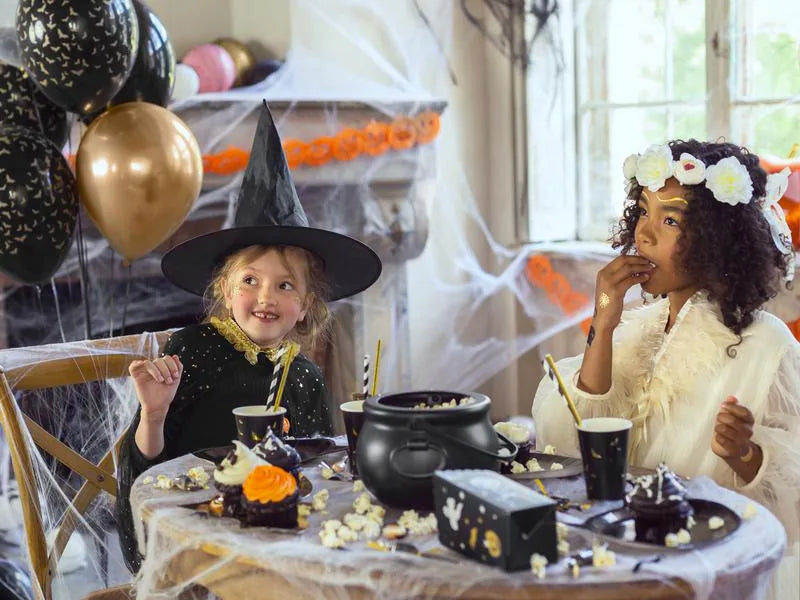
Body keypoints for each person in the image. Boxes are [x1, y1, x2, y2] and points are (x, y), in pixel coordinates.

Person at [115, 101, 382, 572]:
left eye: (285, 285)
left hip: (279, 551)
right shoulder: (191, 353)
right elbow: (144, 480)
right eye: (250, 281)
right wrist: (153, 417)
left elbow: (317, 476)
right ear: (225, 288)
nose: (267, 297)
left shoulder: (303, 378)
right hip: (199, 549)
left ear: (306, 305)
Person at [532, 139, 799, 592]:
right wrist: (604, 321)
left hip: (703, 570)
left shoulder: (764, 344)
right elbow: (571, 442)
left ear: (718, 242)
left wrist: (747, 454)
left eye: (670, 219)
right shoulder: (635, 328)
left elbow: (792, 488)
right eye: (643, 211)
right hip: (620, 556)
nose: (645, 234)